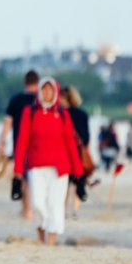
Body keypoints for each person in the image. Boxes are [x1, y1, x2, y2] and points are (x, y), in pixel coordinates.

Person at [13, 77, 83, 247]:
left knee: (55, 204)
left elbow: (70, 142)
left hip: (60, 167)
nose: (47, 93)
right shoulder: (29, 112)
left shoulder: (63, 114)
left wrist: (78, 169)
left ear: (55, 92)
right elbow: (22, 141)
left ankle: (50, 242)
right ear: (39, 91)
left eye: (50, 90)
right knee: (37, 203)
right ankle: (42, 232)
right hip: (36, 166)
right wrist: (18, 167)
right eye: (44, 89)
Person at [0, 70, 39, 219]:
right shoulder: (41, 100)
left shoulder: (15, 100)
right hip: (38, 145)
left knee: (23, 177)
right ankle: (35, 208)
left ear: (25, 82)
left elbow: (7, 123)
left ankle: (27, 210)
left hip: (20, 144)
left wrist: (1, 143)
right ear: (38, 82)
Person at [59, 85, 90, 218]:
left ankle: (64, 210)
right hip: (79, 151)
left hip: (64, 151)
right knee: (79, 182)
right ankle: (76, 210)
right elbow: (87, 136)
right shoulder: (83, 114)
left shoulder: (60, 114)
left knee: (65, 183)